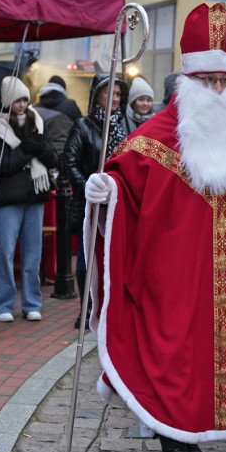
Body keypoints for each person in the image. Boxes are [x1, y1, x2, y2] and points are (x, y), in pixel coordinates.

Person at [83, 3, 226, 452]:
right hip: (169, 276)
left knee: (218, 364)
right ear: (188, 83)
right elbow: (125, 185)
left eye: (225, 82)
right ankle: (173, 442)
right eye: (208, 82)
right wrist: (105, 191)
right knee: (172, 358)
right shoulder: (153, 137)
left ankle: (193, 438)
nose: (218, 90)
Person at [60, 73, 132, 329]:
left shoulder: (125, 124)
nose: (114, 99)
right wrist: (89, 188)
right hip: (89, 202)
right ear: (97, 96)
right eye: (109, 93)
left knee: (114, 257)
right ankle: (87, 307)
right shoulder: (83, 125)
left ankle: (111, 306)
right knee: (86, 259)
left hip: (118, 202)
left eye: (118, 94)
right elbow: (69, 162)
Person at [0, 76, 57, 322]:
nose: (22, 104)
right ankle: (1, 305)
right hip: (8, 198)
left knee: (32, 253)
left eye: (25, 99)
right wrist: (28, 150)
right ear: (7, 100)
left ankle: (31, 303)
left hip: (35, 196)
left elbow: (52, 159)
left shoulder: (36, 121)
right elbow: (1, 165)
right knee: (3, 252)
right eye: (17, 100)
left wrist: (38, 148)